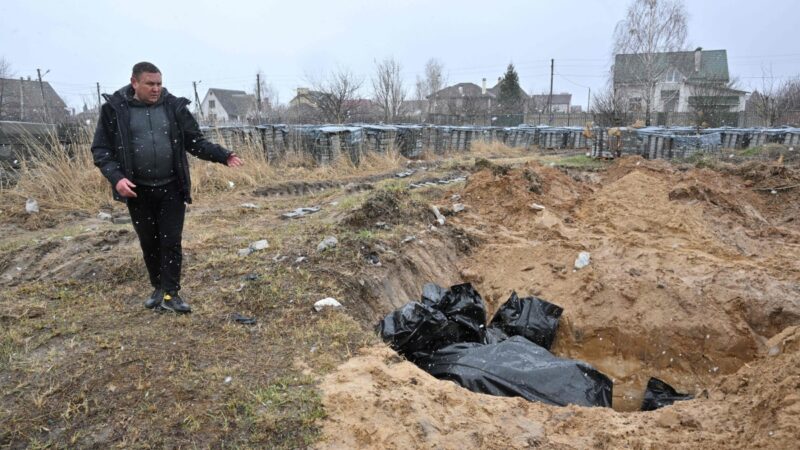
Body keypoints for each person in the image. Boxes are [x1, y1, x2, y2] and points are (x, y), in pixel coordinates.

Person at [91, 61, 243, 313]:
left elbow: (195, 141)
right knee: (149, 242)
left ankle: (172, 294)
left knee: (170, 241)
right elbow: (101, 150)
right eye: (150, 84)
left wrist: (223, 155)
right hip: (137, 190)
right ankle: (158, 287)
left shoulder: (174, 108)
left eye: (159, 83)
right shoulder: (114, 110)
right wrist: (117, 178)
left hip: (171, 187)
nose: (156, 89)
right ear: (134, 83)